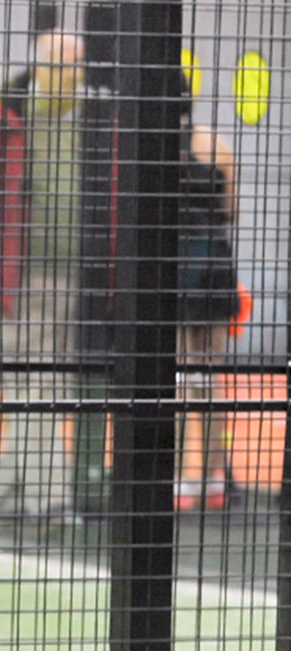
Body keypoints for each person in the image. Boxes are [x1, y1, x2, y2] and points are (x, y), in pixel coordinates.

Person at [0, 28, 88, 518]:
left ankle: (18, 492)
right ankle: (44, 497)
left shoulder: (90, 122)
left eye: (75, 67)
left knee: (38, 382)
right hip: (14, 277)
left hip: (70, 277)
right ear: (39, 67)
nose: (69, 78)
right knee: (40, 382)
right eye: (60, 66)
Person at [174, 105, 240, 513]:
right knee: (210, 374)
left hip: (181, 262)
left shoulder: (158, 145)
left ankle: (182, 476)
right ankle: (215, 478)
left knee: (180, 372)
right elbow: (232, 210)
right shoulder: (216, 142)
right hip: (216, 261)